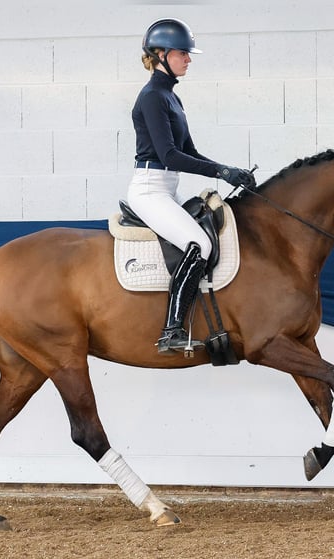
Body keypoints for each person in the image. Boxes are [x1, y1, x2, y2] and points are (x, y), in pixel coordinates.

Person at [128, 18, 256, 355]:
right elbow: (170, 155)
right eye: (183, 53)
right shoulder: (153, 97)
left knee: (212, 228)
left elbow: (190, 153)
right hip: (150, 188)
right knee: (200, 243)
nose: (189, 59)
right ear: (161, 54)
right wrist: (220, 171)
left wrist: (231, 171)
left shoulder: (171, 97)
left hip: (167, 187)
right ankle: (171, 331)